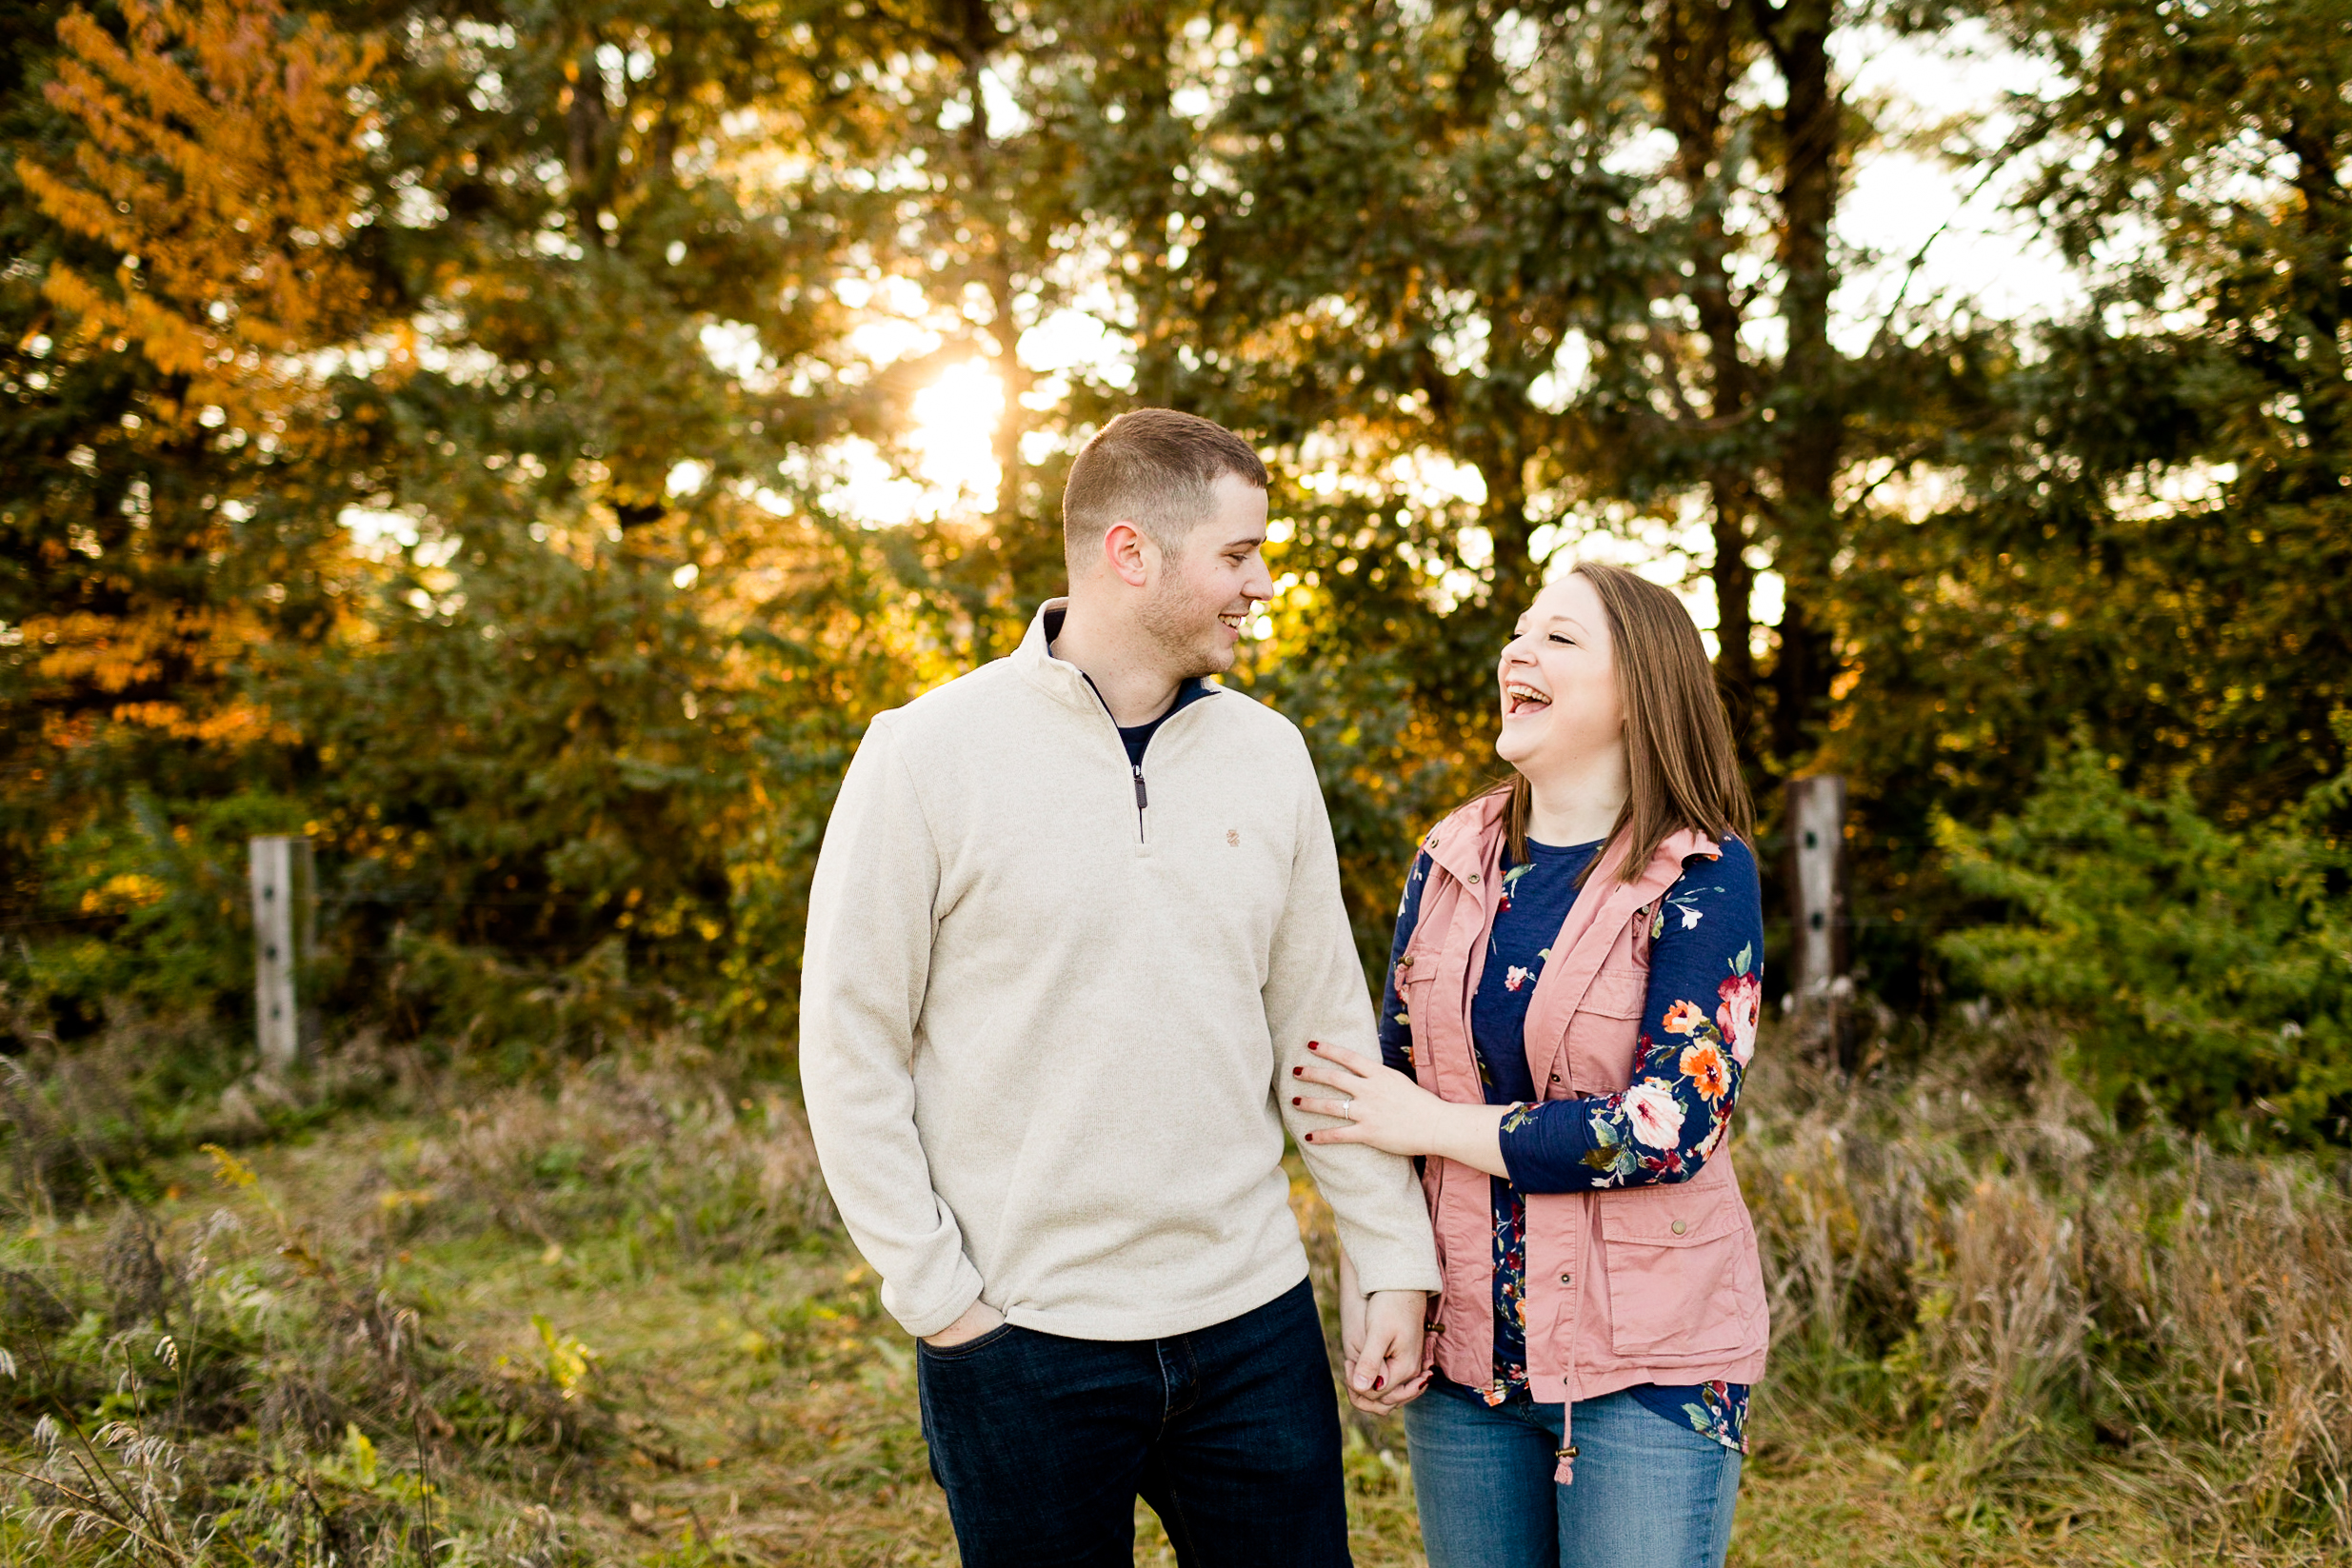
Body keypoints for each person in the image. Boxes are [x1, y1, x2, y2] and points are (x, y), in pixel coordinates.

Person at [799, 407, 1440, 1567]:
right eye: (1237, 555)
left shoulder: (1268, 754)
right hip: (1021, 1340)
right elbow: (849, 1048)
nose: (1258, 584)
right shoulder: (924, 754)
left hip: (1250, 1324)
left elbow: (1323, 1035)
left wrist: (1388, 1257)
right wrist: (942, 1302)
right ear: (1129, 552)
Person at [1299, 562, 1769, 1568]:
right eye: (1517, 632)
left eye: (1558, 637)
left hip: (1646, 1367)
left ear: (1640, 688)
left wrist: (1429, 1124)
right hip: (1466, 1362)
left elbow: (1665, 1126)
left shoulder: (1702, 869)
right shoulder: (1451, 856)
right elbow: (1382, 1080)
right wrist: (1391, 1284)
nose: (1517, 650)